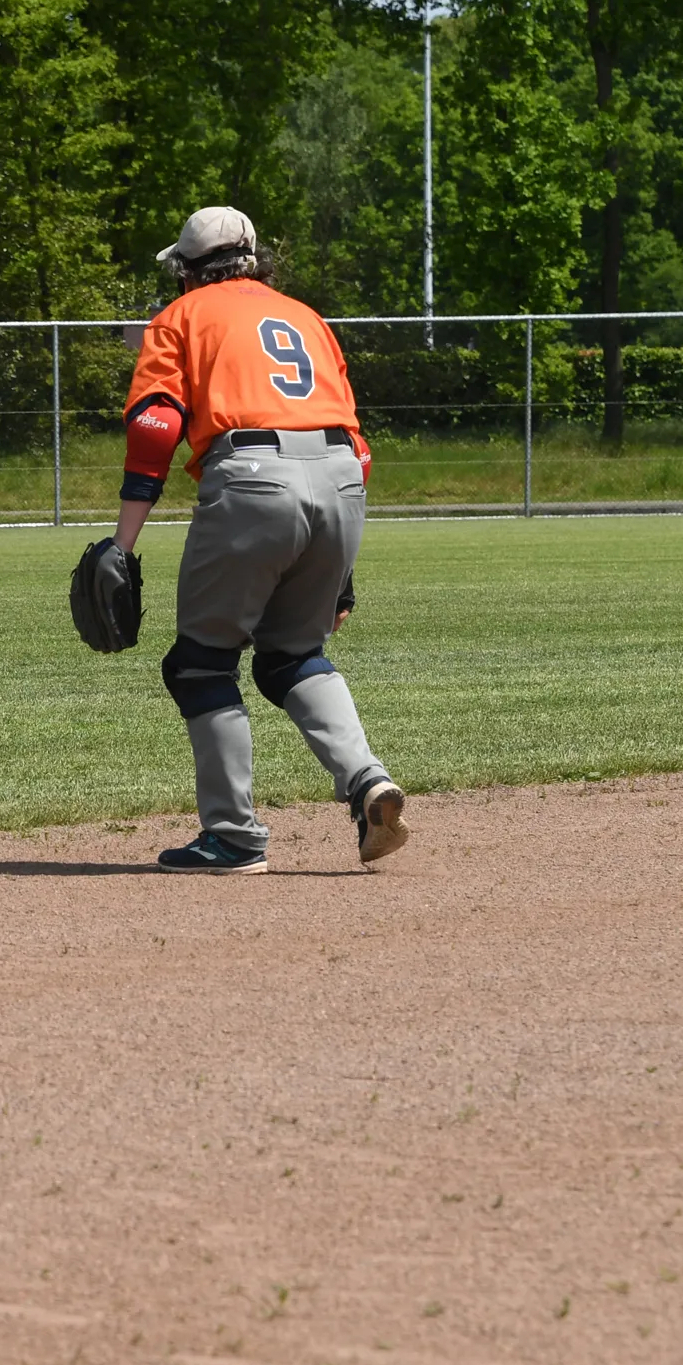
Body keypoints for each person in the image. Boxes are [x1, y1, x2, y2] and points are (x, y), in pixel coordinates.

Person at [109, 206, 408, 873]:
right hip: (340, 481)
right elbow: (354, 444)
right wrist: (342, 571)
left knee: (200, 663)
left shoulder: (181, 317)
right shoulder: (307, 317)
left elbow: (157, 424)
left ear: (188, 271)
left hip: (251, 479)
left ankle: (234, 836)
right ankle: (366, 780)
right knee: (290, 655)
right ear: (256, 261)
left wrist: (122, 546)